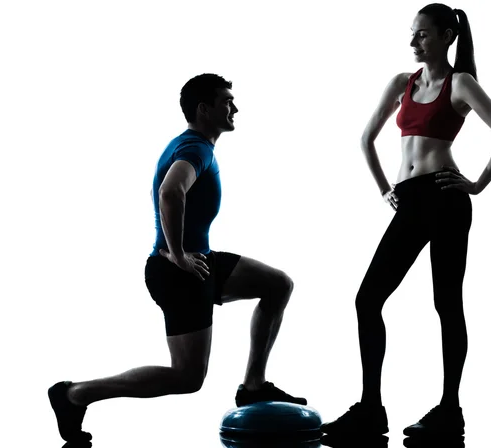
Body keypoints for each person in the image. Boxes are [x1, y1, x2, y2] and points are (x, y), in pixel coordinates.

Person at [48, 74, 307, 444]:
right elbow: (171, 192)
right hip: (179, 273)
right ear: (204, 109)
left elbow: (172, 197)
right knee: (187, 378)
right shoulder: (195, 148)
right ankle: (74, 394)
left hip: (199, 262)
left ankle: (253, 386)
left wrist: (184, 253)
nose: (235, 108)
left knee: (278, 284)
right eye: (227, 102)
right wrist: (179, 255)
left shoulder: (196, 146)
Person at [320, 3, 491, 437]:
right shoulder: (401, 83)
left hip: (445, 200)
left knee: (447, 304)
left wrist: (479, 183)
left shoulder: (460, 83)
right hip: (410, 200)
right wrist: (384, 189)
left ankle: (450, 410)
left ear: (447, 36)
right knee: (368, 299)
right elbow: (365, 139)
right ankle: (371, 408)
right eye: (412, 34)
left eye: (423, 34)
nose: (414, 42)